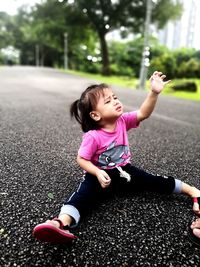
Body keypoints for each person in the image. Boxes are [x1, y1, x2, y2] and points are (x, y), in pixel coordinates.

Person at [33, 71, 200, 244]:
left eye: (115, 97)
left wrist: (154, 93)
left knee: (152, 180)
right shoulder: (93, 136)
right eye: (108, 101)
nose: (116, 101)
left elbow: (143, 113)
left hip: (124, 170)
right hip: (99, 174)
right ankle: (59, 223)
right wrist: (97, 172)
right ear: (96, 115)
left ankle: (191, 190)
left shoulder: (122, 121)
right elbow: (81, 159)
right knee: (82, 196)